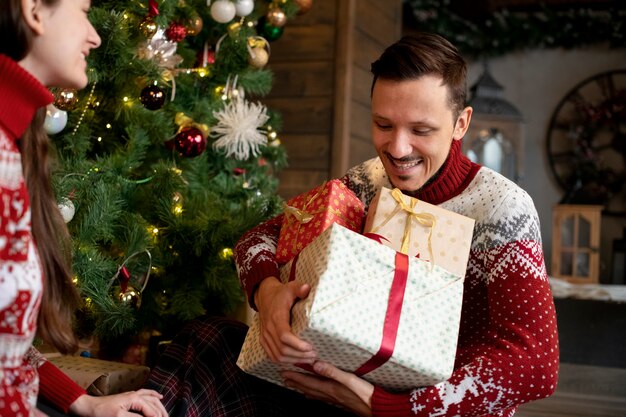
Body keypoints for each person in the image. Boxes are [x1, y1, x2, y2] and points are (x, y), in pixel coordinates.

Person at [147, 32, 559, 416]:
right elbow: (262, 236)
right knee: (210, 339)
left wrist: (391, 407)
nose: (397, 149)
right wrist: (268, 291)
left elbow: (535, 363)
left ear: (461, 124)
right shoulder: (367, 182)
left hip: (426, 410)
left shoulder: (502, 209)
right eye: (383, 125)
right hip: (338, 388)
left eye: (421, 130)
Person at [0, 0, 168, 416]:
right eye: (84, 10)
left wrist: (83, 403)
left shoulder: (16, 142)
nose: (94, 36)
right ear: (35, 9)